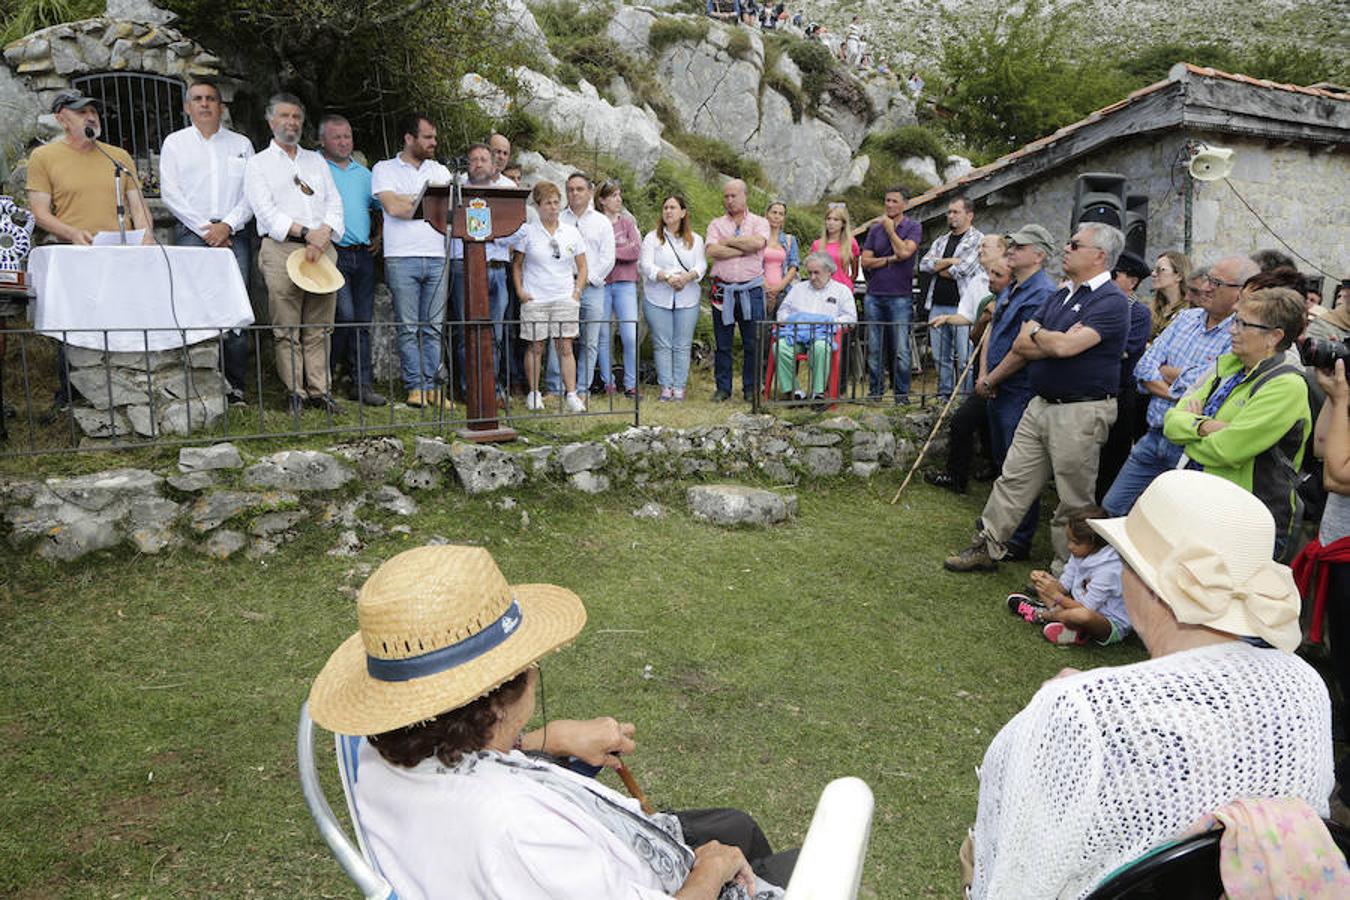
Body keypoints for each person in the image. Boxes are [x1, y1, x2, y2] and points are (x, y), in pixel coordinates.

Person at [307, 544, 795, 900]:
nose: (536, 670)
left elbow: (456, 758)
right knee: (787, 864)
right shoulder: (520, 832)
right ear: (498, 700)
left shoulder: (378, 739)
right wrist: (708, 873)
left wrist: (554, 737)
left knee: (736, 825)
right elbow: (517, 833)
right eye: (529, 663)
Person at [967, 469, 1333, 899]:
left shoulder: (1077, 708)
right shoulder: (1306, 686)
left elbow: (1011, 874)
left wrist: (1078, 708)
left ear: (1147, 583)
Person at [945, 222, 1130, 572]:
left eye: (1075, 245)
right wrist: (1053, 338)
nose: (1066, 248)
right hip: (1041, 404)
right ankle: (988, 546)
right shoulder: (1062, 295)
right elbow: (1022, 342)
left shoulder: (1111, 301)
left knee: (1072, 497)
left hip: (1080, 412)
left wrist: (1045, 338)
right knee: (1013, 478)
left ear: (1099, 256)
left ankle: (1066, 570)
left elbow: (1064, 346)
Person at [1163, 286, 1311, 560]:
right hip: (1203, 504)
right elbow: (1171, 423)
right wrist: (1204, 426)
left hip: (1248, 521)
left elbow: (1227, 451)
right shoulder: (1229, 366)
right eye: (1235, 320)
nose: (1232, 330)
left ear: (1274, 337)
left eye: (1243, 324)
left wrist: (1192, 430)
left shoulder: (1286, 386)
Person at [1100, 255, 1250, 516]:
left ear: (1240, 292)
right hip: (1154, 434)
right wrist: (1182, 388)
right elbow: (1143, 367)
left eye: (1216, 282)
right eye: (1207, 280)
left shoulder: (1238, 334)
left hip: (1190, 448)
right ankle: (1111, 558)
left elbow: (1210, 391)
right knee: (1113, 506)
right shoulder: (1185, 319)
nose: (1205, 288)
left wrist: (1164, 373)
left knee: (1167, 521)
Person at [244, 92, 345, 415]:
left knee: (320, 324)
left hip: (321, 248)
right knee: (286, 326)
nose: (291, 123)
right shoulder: (258, 164)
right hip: (283, 247)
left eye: (296, 117)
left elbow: (334, 202)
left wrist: (324, 233)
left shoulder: (315, 161)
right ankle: (295, 393)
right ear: (271, 120)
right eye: (285, 116)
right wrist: (306, 233)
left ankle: (320, 390)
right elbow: (266, 212)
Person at [159, 78, 255, 405]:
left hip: (234, 235)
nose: (204, 104)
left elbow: (251, 194)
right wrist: (206, 229)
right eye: (197, 99)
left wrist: (227, 225)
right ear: (187, 107)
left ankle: (234, 386)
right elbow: (171, 194)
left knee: (235, 307)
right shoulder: (175, 143)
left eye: (211, 99)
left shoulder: (241, 144)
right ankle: (197, 386)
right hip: (191, 233)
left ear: (220, 107)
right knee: (194, 307)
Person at [964, 224, 1059, 558]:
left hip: (1017, 389)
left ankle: (1018, 540)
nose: (1011, 249)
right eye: (1011, 244)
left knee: (1018, 469)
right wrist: (986, 374)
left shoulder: (1042, 293)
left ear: (1039, 254)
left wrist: (992, 379)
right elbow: (994, 330)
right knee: (1004, 461)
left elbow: (1023, 348)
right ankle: (1004, 531)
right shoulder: (1015, 287)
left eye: (1020, 246)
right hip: (998, 386)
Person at [1297, 360, 1350, 820]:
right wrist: (1335, 399)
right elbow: (1319, 446)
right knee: (1341, 667)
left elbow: (1337, 475)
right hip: (1338, 552)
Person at [372, 115, 453, 410]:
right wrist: (427, 202)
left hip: (436, 255)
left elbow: (447, 210)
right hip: (401, 256)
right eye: (428, 137)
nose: (434, 143)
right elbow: (394, 208)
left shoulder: (441, 170)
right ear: (409, 138)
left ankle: (435, 387)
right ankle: (415, 386)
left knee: (433, 327)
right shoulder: (384, 169)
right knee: (408, 327)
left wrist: (412, 201)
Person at [924, 257, 1010, 494]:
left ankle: (999, 475)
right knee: (963, 420)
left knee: (1002, 433)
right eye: (990, 274)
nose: (990, 279)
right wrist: (984, 319)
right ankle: (956, 476)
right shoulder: (988, 301)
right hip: (987, 377)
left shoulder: (1019, 302)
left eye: (997, 275)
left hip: (1012, 382)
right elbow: (977, 339)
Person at [318, 114, 386, 407]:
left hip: (363, 254)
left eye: (347, 136)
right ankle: (327, 379)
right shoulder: (316, 169)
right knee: (342, 316)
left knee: (362, 320)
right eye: (337, 137)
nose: (344, 142)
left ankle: (361, 383)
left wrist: (379, 237)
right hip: (332, 254)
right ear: (323, 140)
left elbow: (382, 207)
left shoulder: (364, 174)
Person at [508, 181, 587, 413]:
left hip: (564, 296)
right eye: (547, 203)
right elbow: (517, 265)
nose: (553, 208)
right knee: (535, 347)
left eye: (556, 202)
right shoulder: (528, 231)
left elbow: (582, 266)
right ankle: (534, 393)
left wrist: (576, 292)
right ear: (537, 205)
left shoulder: (571, 231)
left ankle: (571, 394)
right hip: (536, 298)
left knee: (565, 346)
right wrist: (521, 292)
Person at [448, 142, 515, 402]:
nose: (478, 164)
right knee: (468, 333)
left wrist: (490, 237)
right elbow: (448, 226)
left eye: (483, 159)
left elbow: (519, 232)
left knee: (494, 334)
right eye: (473, 159)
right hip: (463, 268)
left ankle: (492, 387)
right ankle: (470, 390)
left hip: (496, 270)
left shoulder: (507, 190)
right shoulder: (455, 188)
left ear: (493, 163)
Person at [1006, 506, 1130, 646]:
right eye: (1069, 540)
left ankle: (1040, 615)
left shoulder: (1109, 570)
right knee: (1043, 583)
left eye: (1076, 543)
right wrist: (1043, 579)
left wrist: (1056, 596)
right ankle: (1073, 629)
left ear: (1094, 543)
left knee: (1082, 616)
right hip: (1075, 606)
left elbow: (1086, 609)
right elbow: (1064, 586)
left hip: (1107, 623)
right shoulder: (1081, 553)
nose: (1070, 546)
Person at [1096, 251, 1154, 502]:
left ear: (1132, 282)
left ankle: (1103, 505)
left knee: (1113, 454)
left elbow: (1123, 351)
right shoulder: (1098, 303)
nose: (1108, 279)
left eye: (1114, 275)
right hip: (1097, 388)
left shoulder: (1139, 313)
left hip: (1121, 391)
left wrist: (1087, 341)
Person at [706, 179, 770, 402]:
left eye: (734, 196)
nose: (730, 200)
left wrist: (730, 242)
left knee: (752, 342)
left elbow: (757, 244)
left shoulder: (760, 222)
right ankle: (723, 388)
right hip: (722, 290)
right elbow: (713, 251)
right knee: (723, 343)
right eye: (726, 196)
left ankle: (751, 388)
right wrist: (743, 248)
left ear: (745, 196)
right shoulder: (715, 224)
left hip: (751, 290)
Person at [641, 195, 706, 402]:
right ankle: (665, 387)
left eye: (673, 207)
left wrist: (687, 277)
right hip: (657, 296)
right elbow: (646, 265)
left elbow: (701, 265)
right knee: (662, 343)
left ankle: (679, 387)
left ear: (683, 212)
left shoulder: (695, 239)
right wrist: (667, 277)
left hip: (687, 298)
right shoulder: (652, 238)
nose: (668, 211)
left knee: (682, 344)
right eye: (665, 207)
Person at [859, 187, 921, 403]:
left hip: (900, 297)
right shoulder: (875, 230)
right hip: (874, 295)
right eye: (887, 201)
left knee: (901, 350)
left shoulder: (913, 227)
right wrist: (888, 260)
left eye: (894, 201)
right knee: (875, 349)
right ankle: (875, 393)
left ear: (904, 204)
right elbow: (865, 261)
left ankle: (901, 396)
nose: (889, 205)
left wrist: (890, 230)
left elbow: (905, 252)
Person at [918, 198, 984, 400]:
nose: (951, 216)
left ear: (969, 215)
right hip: (938, 304)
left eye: (955, 212)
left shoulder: (978, 240)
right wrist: (948, 262)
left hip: (963, 308)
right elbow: (923, 265)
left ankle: (964, 397)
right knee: (940, 356)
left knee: (965, 357)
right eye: (949, 212)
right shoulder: (941, 240)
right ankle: (944, 395)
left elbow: (962, 270)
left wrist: (939, 267)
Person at [771, 252, 857, 401]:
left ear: (829, 271)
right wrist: (796, 319)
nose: (812, 277)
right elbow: (782, 313)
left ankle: (818, 392)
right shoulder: (798, 288)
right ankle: (793, 391)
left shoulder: (842, 291)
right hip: (796, 335)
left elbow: (851, 318)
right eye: (809, 272)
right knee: (780, 346)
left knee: (820, 347)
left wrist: (827, 322)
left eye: (816, 273)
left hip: (824, 336)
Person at [562, 173, 616, 404]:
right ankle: (557, 387)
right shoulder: (560, 219)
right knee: (561, 337)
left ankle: (582, 388)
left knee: (590, 340)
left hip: (593, 287)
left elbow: (608, 258)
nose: (575, 193)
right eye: (571, 189)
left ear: (590, 192)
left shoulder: (601, 222)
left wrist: (587, 279)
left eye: (580, 189)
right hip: (564, 285)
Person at [597, 179, 641, 398]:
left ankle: (631, 383)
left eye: (619, 194)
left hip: (625, 283)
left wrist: (610, 252)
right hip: (602, 284)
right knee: (603, 333)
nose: (618, 199)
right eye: (613, 195)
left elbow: (635, 252)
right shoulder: (597, 223)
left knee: (629, 334)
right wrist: (620, 250)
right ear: (602, 200)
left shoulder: (627, 223)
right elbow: (594, 253)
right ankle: (608, 383)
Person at [809, 203, 858, 292]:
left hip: (843, 290)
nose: (831, 223)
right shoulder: (817, 244)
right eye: (828, 219)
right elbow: (811, 270)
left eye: (836, 220)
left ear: (843, 223)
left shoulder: (851, 243)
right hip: (821, 290)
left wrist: (847, 283)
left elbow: (855, 272)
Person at [762, 200, 800, 317]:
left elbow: (794, 266)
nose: (777, 216)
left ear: (784, 218)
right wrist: (767, 288)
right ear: (767, 214)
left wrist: (779, 287)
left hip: (784, 291)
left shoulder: (789, 239)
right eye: (774, 212)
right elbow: (753, 263)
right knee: (761, 329)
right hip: (761, 290)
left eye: (781, 214)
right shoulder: (759, 238)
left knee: (781, 330)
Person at [1147, 251, 1190, 340]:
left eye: (1161, 270)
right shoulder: (1153, 308)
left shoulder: (1190, 312)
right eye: (1153, 269)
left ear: (1179, 276)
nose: (1153, 274)